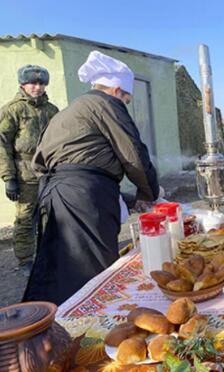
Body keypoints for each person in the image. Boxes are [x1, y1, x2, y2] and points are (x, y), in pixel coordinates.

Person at [23, 50, 160, 305]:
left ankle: (54, 325)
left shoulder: (71, 109)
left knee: (60, 268)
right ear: (117, 89)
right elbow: (133, 154)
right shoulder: (106, 105)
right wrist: (149, 192)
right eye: (126, 98)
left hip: (57, 197)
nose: (125, 103)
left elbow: (50, 165)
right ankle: (91, 336)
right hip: (82, 201)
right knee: (92, 271)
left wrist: (125, 198)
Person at [0, 65, 59, 276]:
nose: (37, 87)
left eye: (41, 83)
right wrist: (9, 178)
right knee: (25, 219)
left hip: (49, 172)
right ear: (22, 84)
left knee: (51, 217)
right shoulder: (12, 110)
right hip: (24, 175)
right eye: (32, 83)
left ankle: (49, 255)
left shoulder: (52, 110)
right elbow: (2, 145)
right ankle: (25, 260)